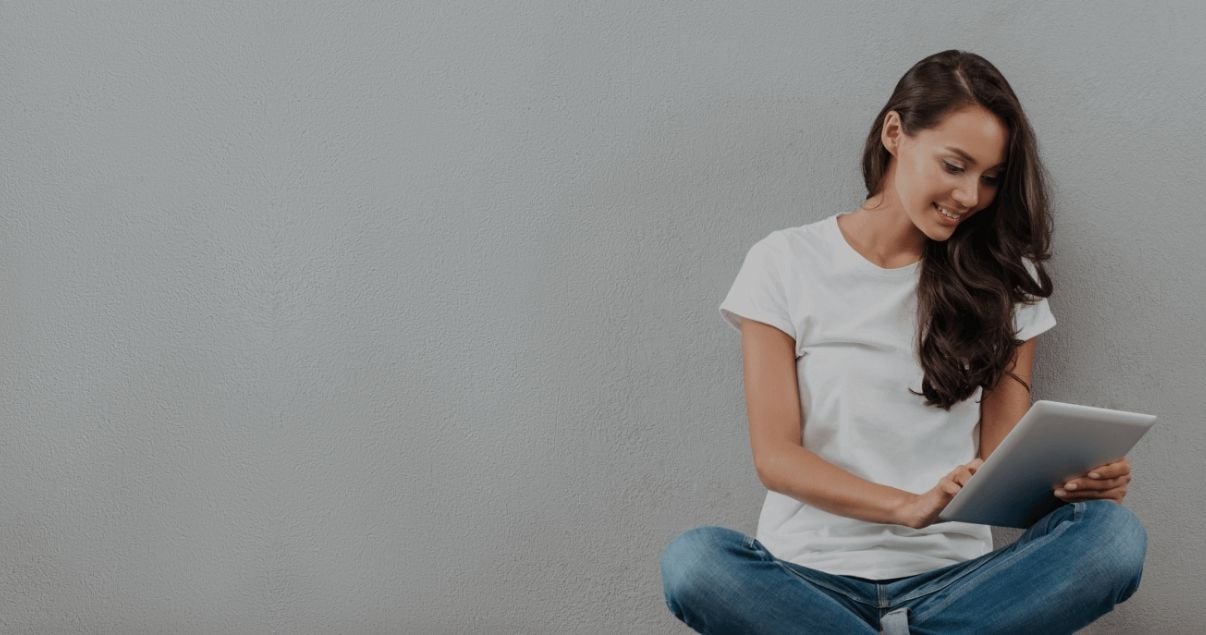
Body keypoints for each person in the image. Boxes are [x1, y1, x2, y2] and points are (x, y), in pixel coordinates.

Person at [659, 50, 1146, 635]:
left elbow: (1001, 466)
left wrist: (1072, 488)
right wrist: (907, 507)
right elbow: (777, 457)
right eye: (954, 165)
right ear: (895, 132)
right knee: (695, 562)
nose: (970, 196)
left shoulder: (1005, 286)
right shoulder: (785, 261)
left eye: (990, 178)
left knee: (1113, 537)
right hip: (806, 580)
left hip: (957, 584)